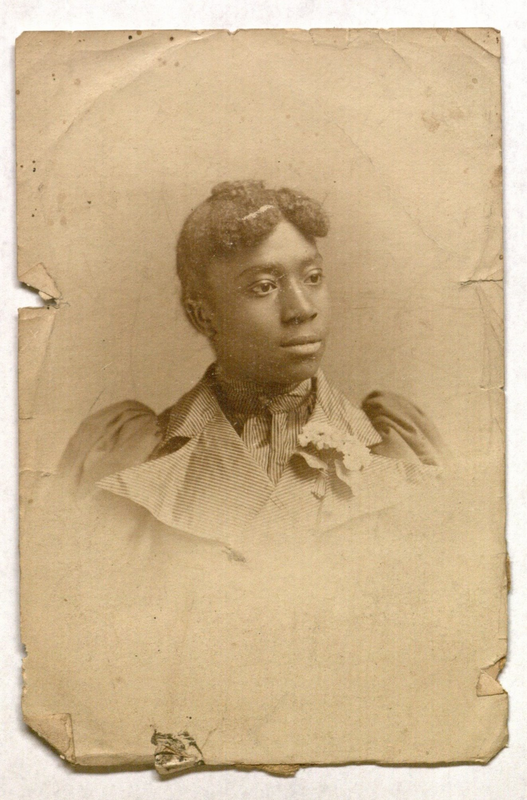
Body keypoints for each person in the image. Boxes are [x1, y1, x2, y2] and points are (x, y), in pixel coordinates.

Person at [60, 180, 447, 546]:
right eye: (264, 286)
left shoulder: (399, 449)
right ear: (203, 316)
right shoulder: (129, 456)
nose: (302, 309)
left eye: (313, 277)